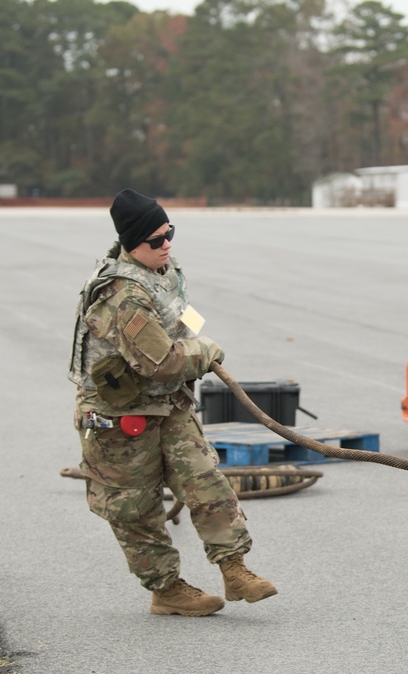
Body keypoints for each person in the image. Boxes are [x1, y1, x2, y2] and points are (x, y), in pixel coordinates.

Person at [70, 189, 278, 616]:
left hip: (168, 405)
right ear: (131, 244)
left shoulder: (164, 270)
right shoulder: (122, 295)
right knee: (136, 508)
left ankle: (234, 569)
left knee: (206, 481)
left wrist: (198, 337)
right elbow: (160, 361)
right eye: (155, 240)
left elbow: (180, 311)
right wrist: (205, 351)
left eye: (169, 233)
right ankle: (166, 590)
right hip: (119, 414)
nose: (166, 244)